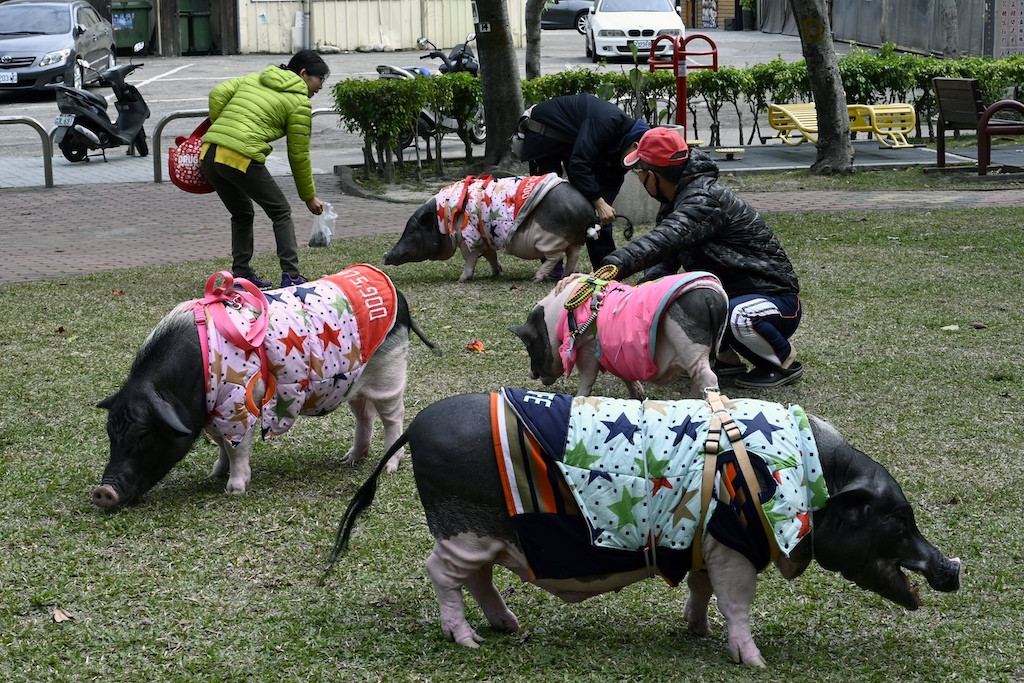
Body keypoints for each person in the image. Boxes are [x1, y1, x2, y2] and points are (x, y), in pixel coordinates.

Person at [600, 127, 804, 389]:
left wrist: (611, 267)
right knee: (672, 303)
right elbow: (666, 257)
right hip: (733, 295)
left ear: (653, 175)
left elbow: (662, 240)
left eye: (639, 171)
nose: (638, 177)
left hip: (774, 301)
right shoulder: (678, 200)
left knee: (737, 316)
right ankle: (725, 360)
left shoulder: (704, 200)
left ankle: (783, 361)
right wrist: (636, 294)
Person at [201, 50, 328, 290]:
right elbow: (298, 155)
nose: (321, 86)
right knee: (280, 211)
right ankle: (291, 275)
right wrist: (308, 196)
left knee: (242, 213)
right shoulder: (299, 102)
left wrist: (222, 126)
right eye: (320, 78)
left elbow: (217, 93)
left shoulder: (254, 78)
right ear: (303, 74)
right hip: (239, 155)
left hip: (209, 153)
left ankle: (241, 274)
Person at [510, 93, 650, 271]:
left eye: (638, 166)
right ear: (635, 146)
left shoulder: (622, 150)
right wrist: (598, 202)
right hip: (544, 131)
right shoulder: (606, 121)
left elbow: (604, 196)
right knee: (548, 199)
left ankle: (606, 266)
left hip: (573, 141)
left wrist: (602, 206)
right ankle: (551, 265)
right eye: (636, 163)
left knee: (599, 212)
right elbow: (579, 164)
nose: (633, 167)